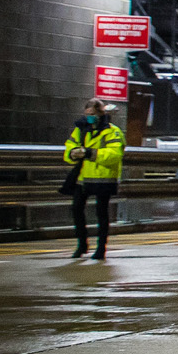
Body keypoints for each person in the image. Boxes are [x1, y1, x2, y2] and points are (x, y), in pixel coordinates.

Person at [63, 99, 124, 258]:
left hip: (103, 178)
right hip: (83, 177)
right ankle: (82, 244)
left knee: (101, 213)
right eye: (87, 114)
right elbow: (69, 146)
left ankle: (100, 248)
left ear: (100, 114)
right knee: (76, 209)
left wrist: (90, 153)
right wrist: (73, 154)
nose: (89, 117)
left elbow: (115, 154)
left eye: (92, 114)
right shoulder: (81, 129)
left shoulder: (112, 131)